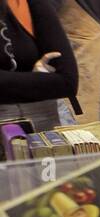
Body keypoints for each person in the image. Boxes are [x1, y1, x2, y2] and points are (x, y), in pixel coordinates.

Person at [0, 0, 78, 132]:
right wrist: (36, 79)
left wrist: (12, 82)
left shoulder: (30, 4)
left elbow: (67, 81)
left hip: (40, 132)